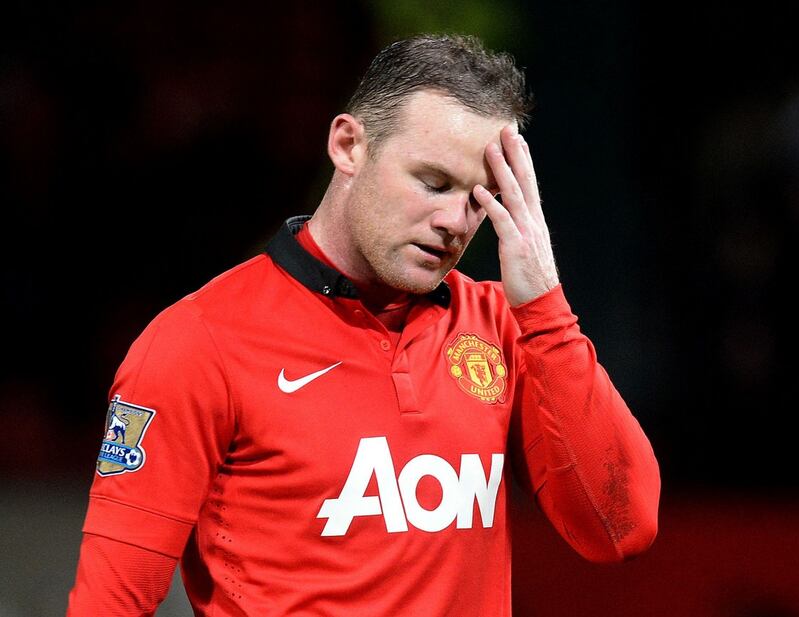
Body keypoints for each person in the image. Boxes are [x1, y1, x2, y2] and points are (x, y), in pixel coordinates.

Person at [67, 33, 660, 616]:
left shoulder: (504, 326)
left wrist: (547, 310)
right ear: (349, 145)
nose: (454, 221)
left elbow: (621, 529)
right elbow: (110, 602)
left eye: (479, 200)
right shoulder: (200, 343)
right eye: (433, 183)